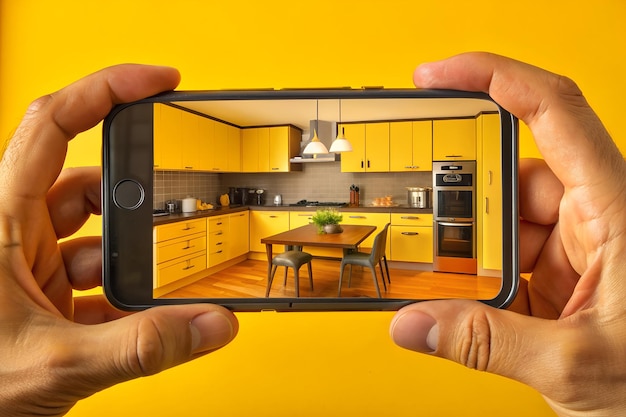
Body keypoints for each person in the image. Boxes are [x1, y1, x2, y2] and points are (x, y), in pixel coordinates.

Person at [0, 53, 624, 417]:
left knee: (343, 247)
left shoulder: (389, 190)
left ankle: (357, 274)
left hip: (374, 241)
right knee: (297, 250)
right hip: (310, 245)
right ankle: (328, 274)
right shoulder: (279, 180)